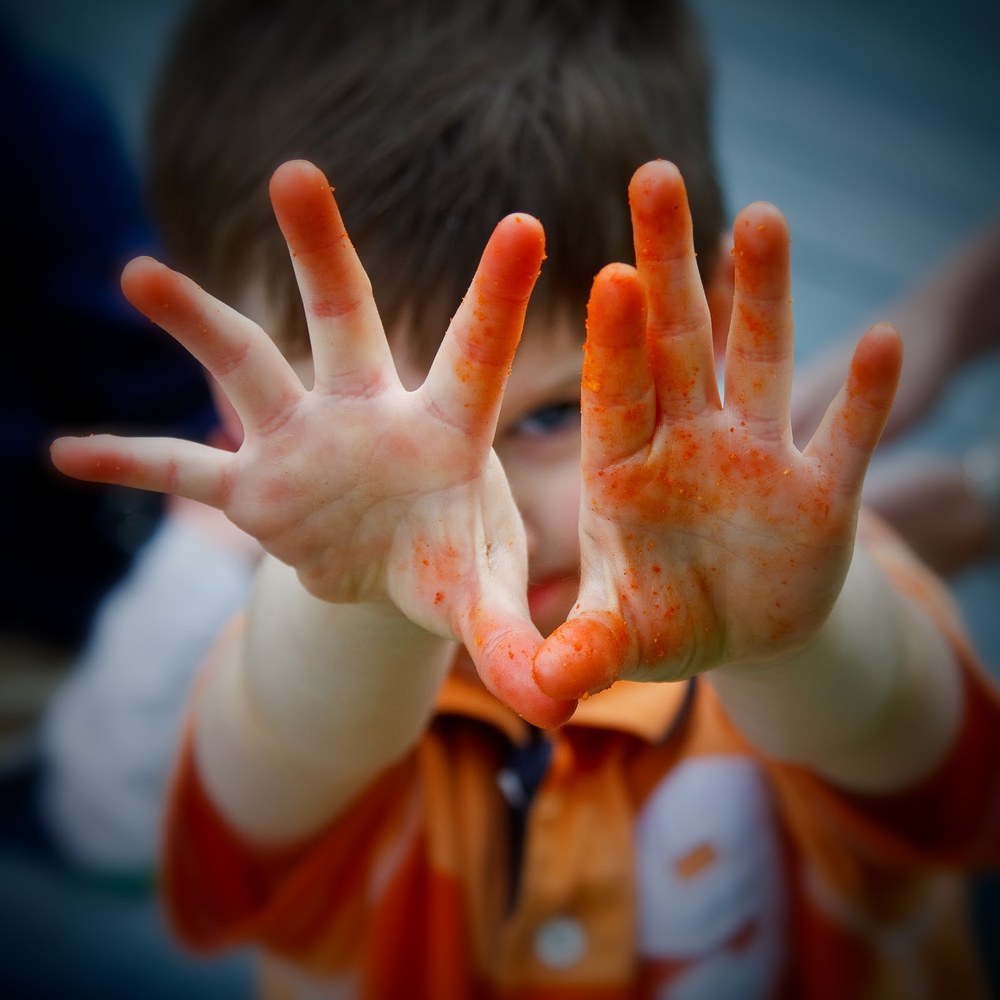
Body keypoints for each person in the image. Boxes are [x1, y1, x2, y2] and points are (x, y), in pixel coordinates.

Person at [48, 2, 1000, 998]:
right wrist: (365, 598)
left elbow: (940, 777)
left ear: (704, 326)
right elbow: (273, 765)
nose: (489, 516)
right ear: (239, 399)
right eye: (388, 451)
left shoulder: (788, 570)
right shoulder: (304, 675)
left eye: (549, 415)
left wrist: (797, 641)